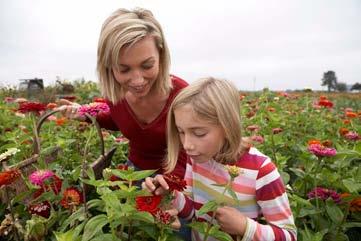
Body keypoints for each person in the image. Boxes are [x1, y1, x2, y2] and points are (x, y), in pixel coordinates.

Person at [143, 77, 297, 240]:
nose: (187, 145)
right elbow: (193, 213)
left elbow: (289, 235)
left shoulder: (261, 171)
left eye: (199, 133)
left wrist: (245, 227)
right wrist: (170, 195)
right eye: (181, 131)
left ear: (227, 125)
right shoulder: (196, 158)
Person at [59, 7, 188, 178]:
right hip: (133, 175)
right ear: (109, 68)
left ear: (161, 55)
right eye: (124, 69)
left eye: (147, 65)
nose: (137, 80)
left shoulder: (183, 96)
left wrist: (170, 183)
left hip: (178, 178)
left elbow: (193, 150)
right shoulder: (116, 96)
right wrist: (86, 114)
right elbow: (116, 119)